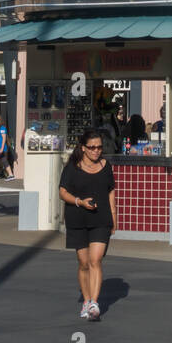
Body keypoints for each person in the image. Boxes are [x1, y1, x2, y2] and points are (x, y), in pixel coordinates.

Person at [58, 128, 116, 321]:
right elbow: (62, 192)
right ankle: (86, 300)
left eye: (99, 147)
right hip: (77, 219)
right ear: (83, 148)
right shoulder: (72, 167)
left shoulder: (106, 166)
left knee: (95, 260)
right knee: (83, 263)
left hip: (101, 219)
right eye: (92, 147)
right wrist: (79, 202)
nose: (96, 151)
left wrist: (114, 218)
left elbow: (110, 192)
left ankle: (94, 303)